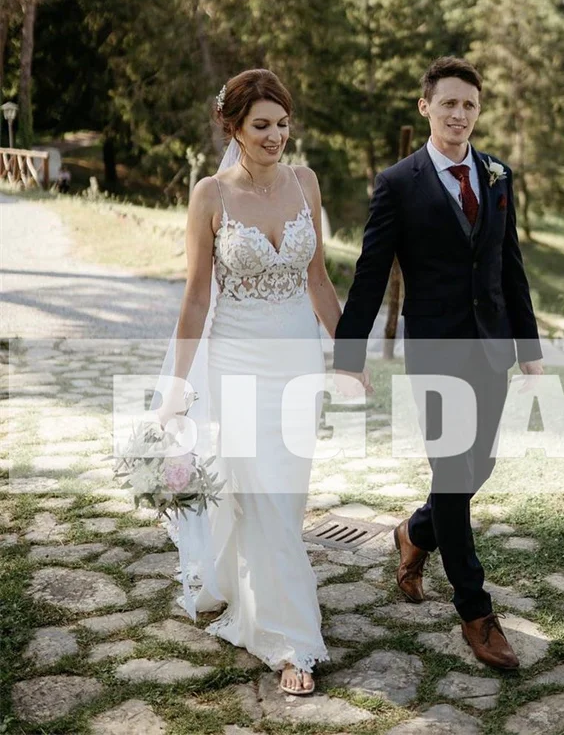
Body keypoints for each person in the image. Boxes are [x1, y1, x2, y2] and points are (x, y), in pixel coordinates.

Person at [333, 56, 544, 670]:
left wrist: (528, 348)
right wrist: (350, 355)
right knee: (454, 474)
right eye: (448, 103)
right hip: (435, 353)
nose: (459, 114)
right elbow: (371, 274)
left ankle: (414, 534)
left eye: (470, 105)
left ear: (479, 112)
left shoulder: (498, 177)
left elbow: (511, 265)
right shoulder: (398, 182)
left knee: (479, 465)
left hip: (492, 348)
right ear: (425, 107)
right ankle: (477, 614)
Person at [158, 68, 341, 695]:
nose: (275, 136)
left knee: (284, 497)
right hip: (237, 363)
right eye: (261, 125)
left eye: (283, 124)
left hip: (298, 363)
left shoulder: (306, 184)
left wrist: (347, 353)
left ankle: (250, 588)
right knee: (259, 492)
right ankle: (290, 641)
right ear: (232, 126)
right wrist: (177, 384)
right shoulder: (210, 196)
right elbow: (194, 299)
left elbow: (318, 279)